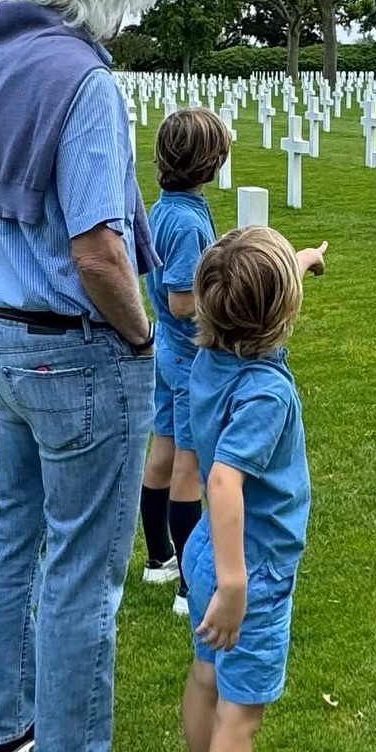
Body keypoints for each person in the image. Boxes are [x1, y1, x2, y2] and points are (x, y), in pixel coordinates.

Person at [0, 0, 187, 752]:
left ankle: (4, 722)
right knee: (87, 568)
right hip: (72, 345)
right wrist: (139, 339)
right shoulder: (83, 80)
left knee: (15, 529)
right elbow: (97, 248)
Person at [179, 225, 327, 752]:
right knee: (241, 717)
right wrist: (237, 584)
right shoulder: (265, 392)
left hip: (207, 550)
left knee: (207, 680)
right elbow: (226, 481)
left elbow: (251, 293)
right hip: (251, 568)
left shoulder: (208, 354)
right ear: (278, 317)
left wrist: (298, 263)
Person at [137, 107, 233, 618]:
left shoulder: (162, 207)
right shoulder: (188, 221)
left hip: (165, 351)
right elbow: (180, 298)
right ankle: (188, 585)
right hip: (188, 353)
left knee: (164, 448)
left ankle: (158, 558)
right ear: (211, 162)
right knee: (189, 464)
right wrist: (231, 299)